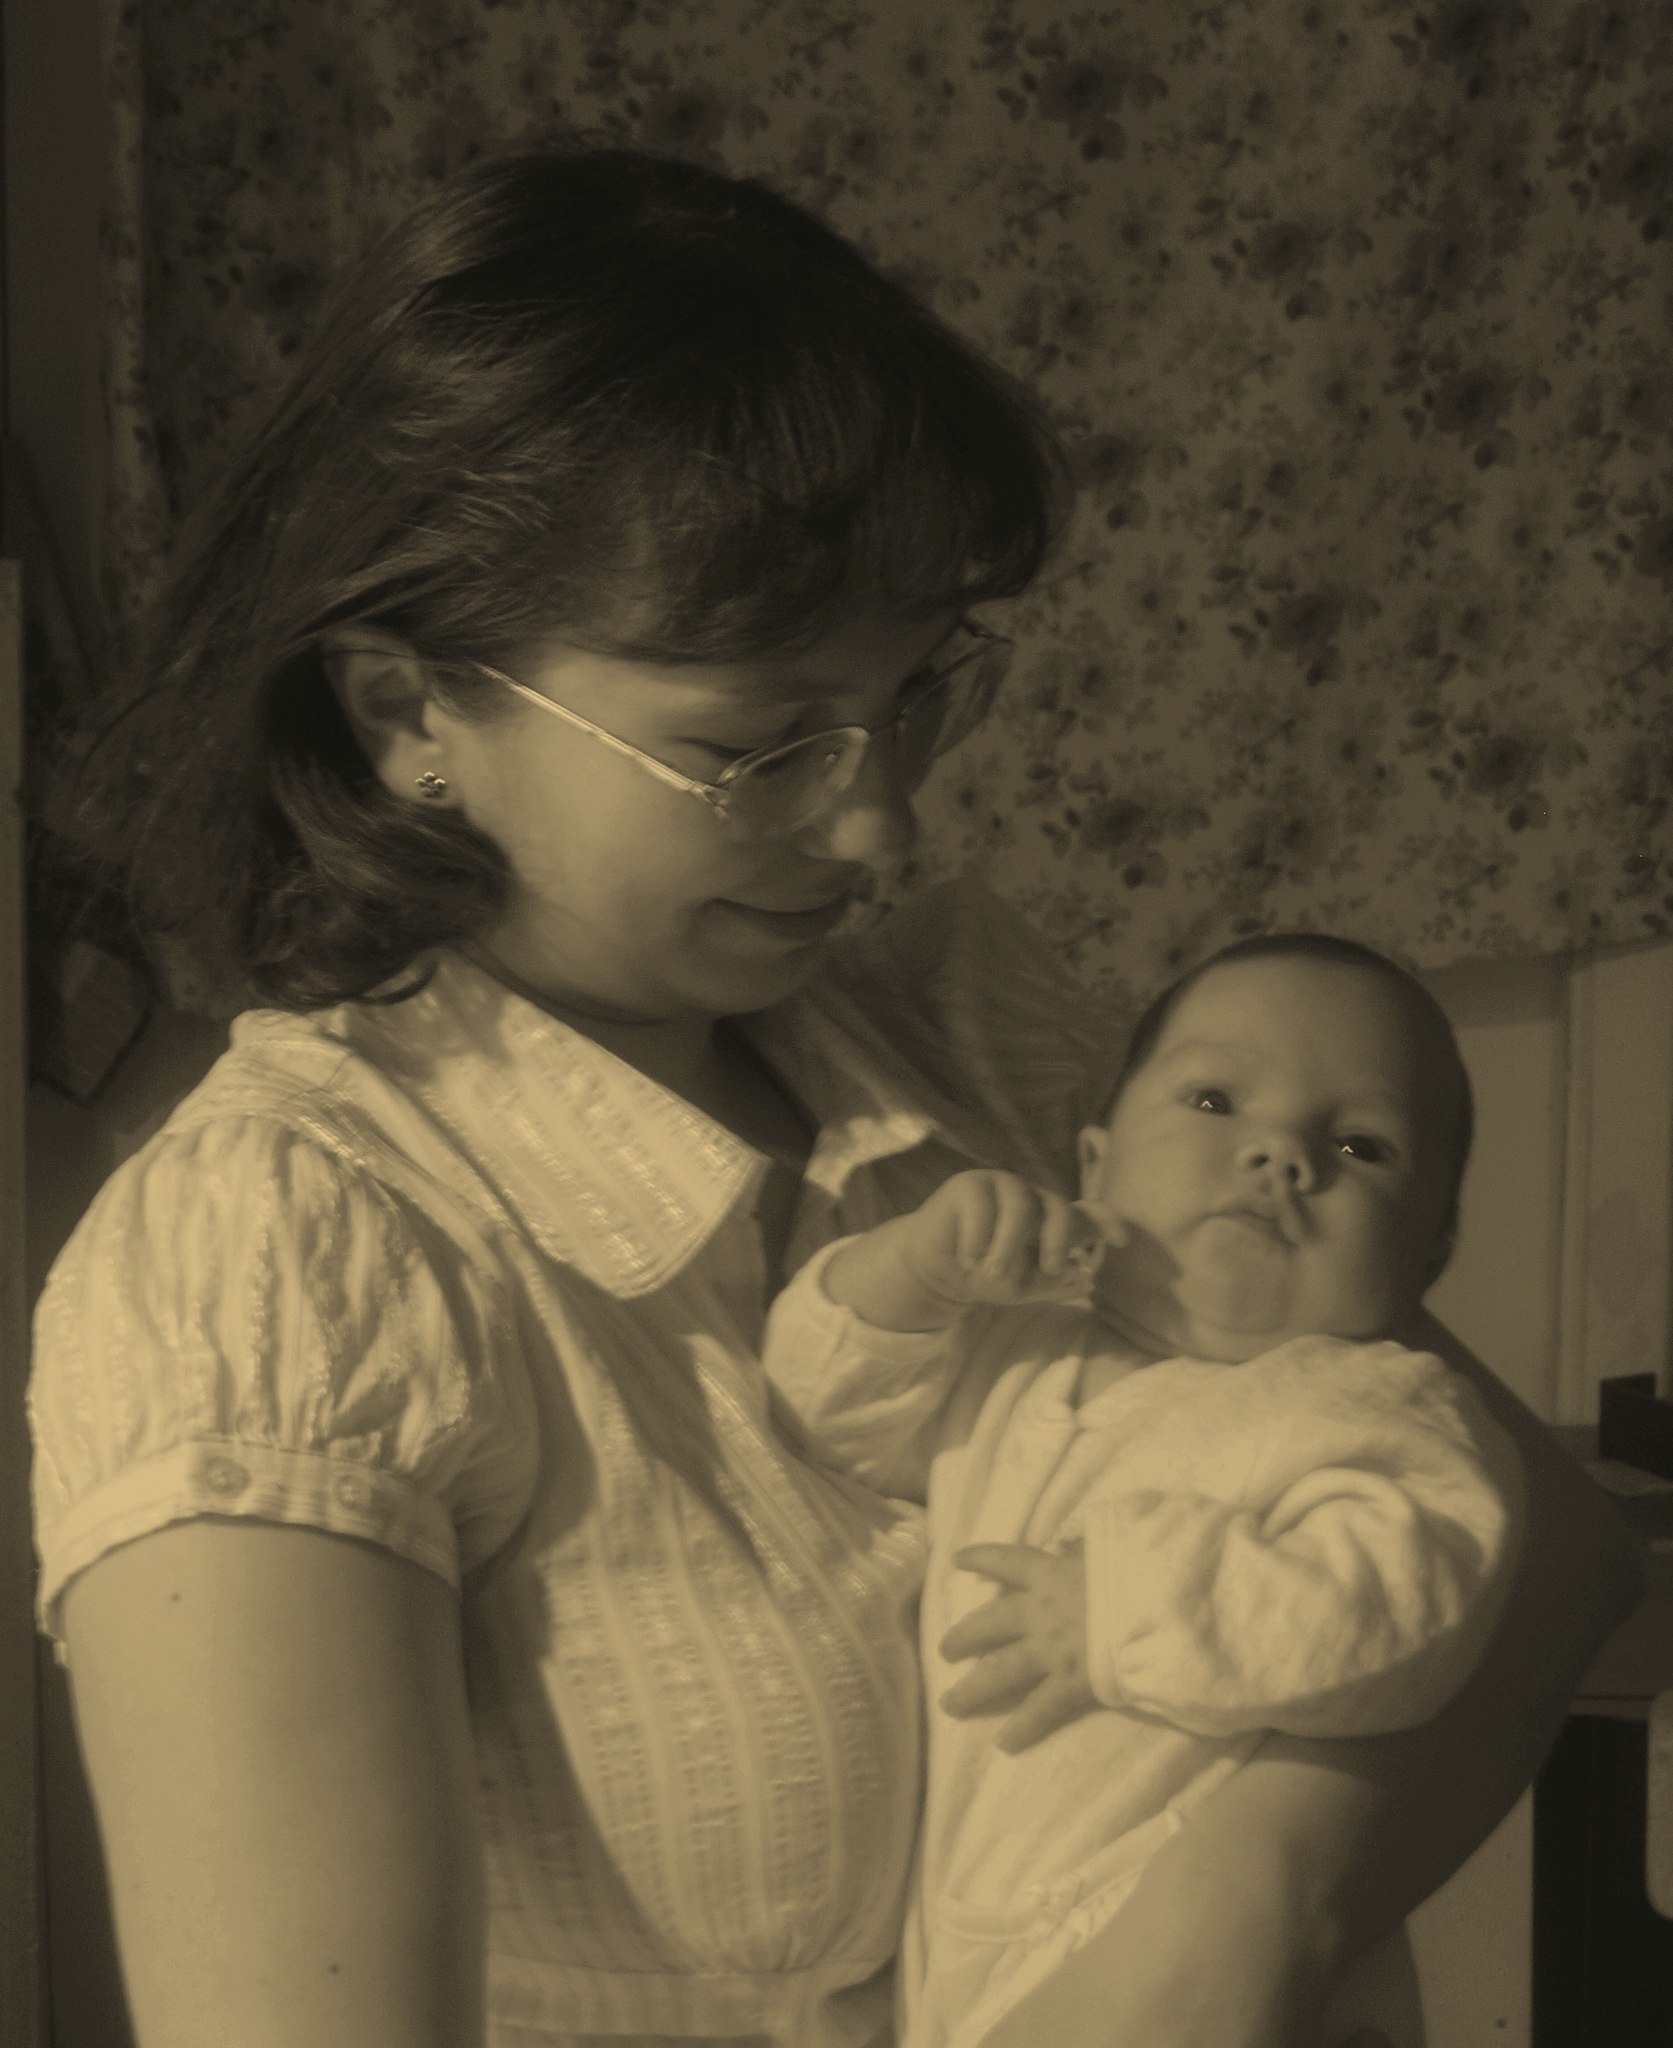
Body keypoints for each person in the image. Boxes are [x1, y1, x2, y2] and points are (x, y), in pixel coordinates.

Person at [25, 141, 1637, 2048]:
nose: (878, 824)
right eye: (756, 743)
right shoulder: (284, 1255)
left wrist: (1239, 1918)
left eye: (908, 701)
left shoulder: (955, 1021)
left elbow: (1530, 1530)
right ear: (409, 713)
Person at [764, 935, 1526, 2048]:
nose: (1278, 1154)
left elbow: (1401, 1606)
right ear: (1093, 1163)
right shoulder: (1009, 1346)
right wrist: (908, 1274)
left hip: (1205, 1961)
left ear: (1426, 1257)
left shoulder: (1381, 1409)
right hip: (968, 1957)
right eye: (1215, 1100)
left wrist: (1123, 1604)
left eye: (1359, 1145)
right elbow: (819, 1415)